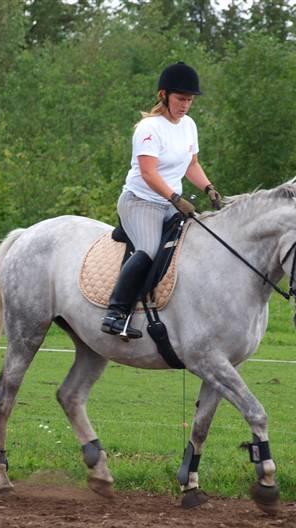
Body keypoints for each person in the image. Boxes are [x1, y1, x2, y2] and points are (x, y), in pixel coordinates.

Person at [101, 61, 222, 339]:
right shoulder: (149, 128)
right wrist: (175, 198)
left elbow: (191, 164)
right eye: (180, 99)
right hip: (140, 202)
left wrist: (208, 188)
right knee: (149, 249)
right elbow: (148, 173)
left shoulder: (189, 125)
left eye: (189, 100)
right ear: (163, 95)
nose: (185, 105)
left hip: (169, 203)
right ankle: (116, 312)